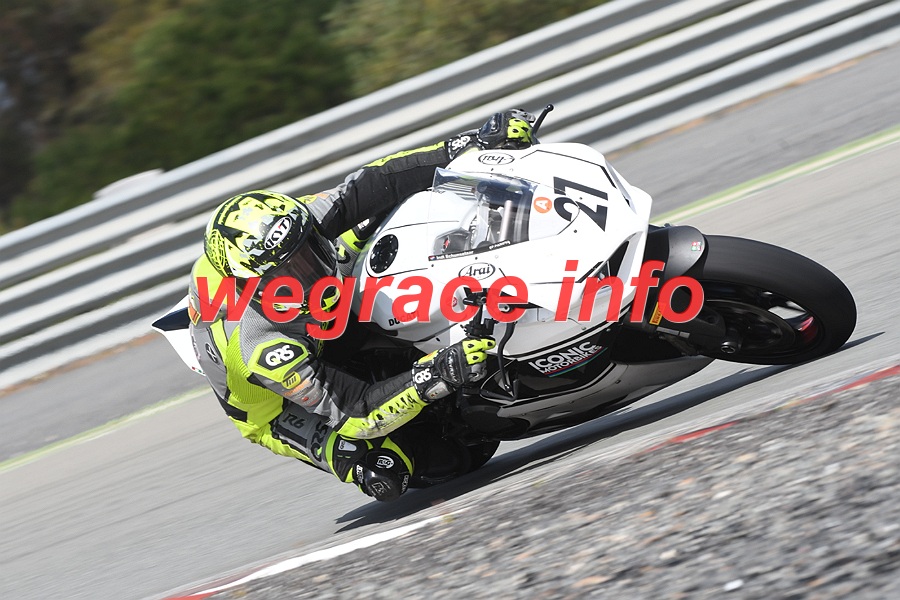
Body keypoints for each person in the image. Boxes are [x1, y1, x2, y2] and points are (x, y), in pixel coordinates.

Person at [188, 110, 534, 501]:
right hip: (274, 403)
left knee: (379, 219)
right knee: (395, 467)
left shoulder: (292, 222)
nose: (310, 276)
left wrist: (464, 146)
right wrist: (435, 374)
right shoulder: (260, 344)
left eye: (309, 254)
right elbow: (357, 412)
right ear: (254, 289)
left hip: (315, 321)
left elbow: (377, 182)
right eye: (289, 275)